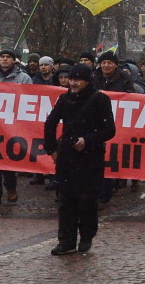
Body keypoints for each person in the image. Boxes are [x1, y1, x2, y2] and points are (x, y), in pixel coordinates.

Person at [44, 64, 116, 254]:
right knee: (65, 200)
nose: (73, 83)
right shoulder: (64, 99)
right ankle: (66, 240)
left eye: (77, 79)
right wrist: (51, 148)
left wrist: (88, 140)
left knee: (87, 200)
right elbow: (50, 123)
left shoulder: (100, 99)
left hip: (90, 158)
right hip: (67, 157)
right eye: (71, 79)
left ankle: (86, 236)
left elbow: (109, 130)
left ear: (86, 81)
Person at [0, 50, 32, 205]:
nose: (4, 59)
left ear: (13, 60)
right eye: (2, 57)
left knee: (8, 160)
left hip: (12, 125)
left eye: (7, 57)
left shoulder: (24, 78)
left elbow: (30, 98)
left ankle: (11, 189)